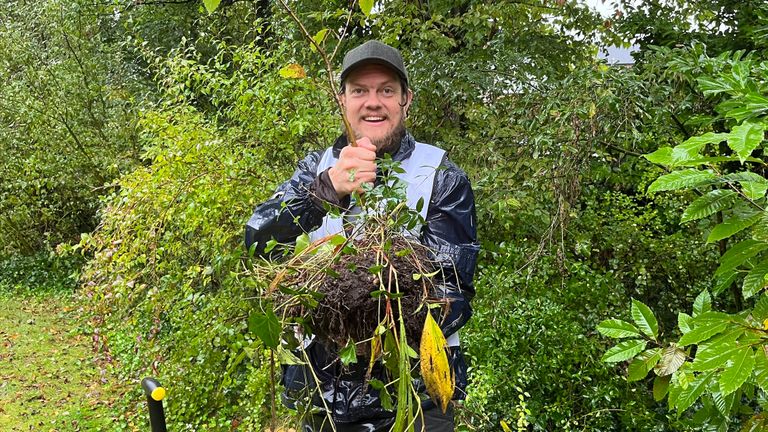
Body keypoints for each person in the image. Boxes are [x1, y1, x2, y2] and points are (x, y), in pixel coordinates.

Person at [245, 40, 478, 432]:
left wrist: (365, 319)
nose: (373, 102)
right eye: (360, 91)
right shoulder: (316, 170)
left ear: (406, 99)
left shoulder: (441, 176)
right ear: (343, 101)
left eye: (386, 90)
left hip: (417, 398)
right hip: (323, 396)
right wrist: (326, 190)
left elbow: (455, 292)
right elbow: (257, 241)